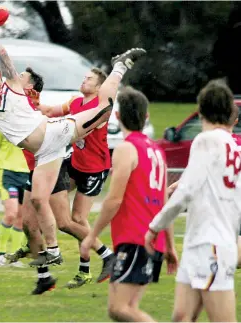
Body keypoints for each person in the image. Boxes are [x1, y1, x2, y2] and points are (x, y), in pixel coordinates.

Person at [0, 20, 146, 266]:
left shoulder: (14, 86)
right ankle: (53, 251)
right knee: (38, 200)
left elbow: (1, 55)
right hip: (44, 154)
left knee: (104, 108)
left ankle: (119, 67)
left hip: (56, 134)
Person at [145, 79, 241, 322]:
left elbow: (184, 193)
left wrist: (155, 226)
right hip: (201, 242)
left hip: (210, 243)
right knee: (181, 317)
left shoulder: (205, 140)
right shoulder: (232, 145)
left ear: (201, 110)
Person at [80, 86, 178, 322]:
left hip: (136, 238)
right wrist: (171, 245)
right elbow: (164, 203)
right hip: (151, 238)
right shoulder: (156, 150)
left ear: (117, 116)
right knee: (126, 308)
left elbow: (114, 199)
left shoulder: (126, 149)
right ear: (146, 117)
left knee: (121, 308)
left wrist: (92, 235)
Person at [38, 67, 114, 288]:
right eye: (84, 77)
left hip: (94, 170)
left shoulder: (100, 110)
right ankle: (89, 266)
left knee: (77, 220)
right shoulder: (74, 102)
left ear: (100, 87)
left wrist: (52, 135)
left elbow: (78, 132)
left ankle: (102, 260)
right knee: (59, 214)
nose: (84, 81)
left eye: (89, 79)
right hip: (75, 164)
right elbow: (51, 111)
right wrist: (33, 106)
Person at [0, 130, 29, 268]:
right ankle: (1, 253)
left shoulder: (32, 121)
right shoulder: (1, 124)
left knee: (21, 218)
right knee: (11, 213)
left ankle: (14, 257)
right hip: (7, 174)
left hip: (27, 174)